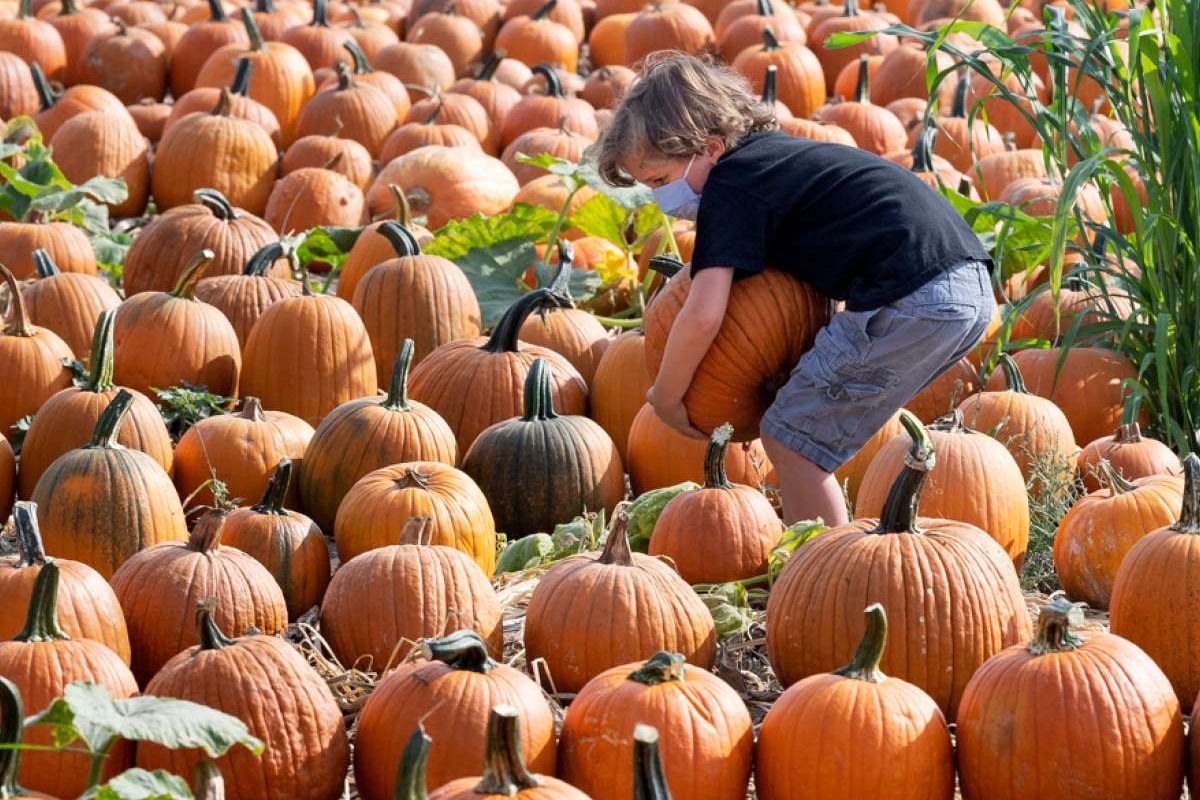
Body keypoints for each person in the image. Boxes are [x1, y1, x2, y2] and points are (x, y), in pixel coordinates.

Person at [596, 52, 995, 527]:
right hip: (965, 286)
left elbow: (704, 313)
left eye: (661, 180)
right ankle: (828, 559)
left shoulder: (731, 187)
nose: (662, 197)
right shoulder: (774, 163)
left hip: (915, 295)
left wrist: (666, 395)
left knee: (791, 437)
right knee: (809, 432)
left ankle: (824, 574)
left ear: (711, 147)